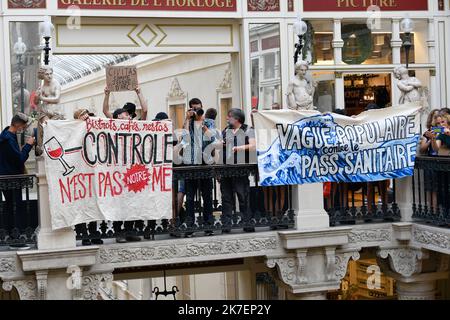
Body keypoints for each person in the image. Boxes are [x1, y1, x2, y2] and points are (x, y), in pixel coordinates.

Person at [180, 98, 216, 237]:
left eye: (199, 108)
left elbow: (212, 138)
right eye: (194, 109)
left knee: (207, 196)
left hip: (205, 163)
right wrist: (187, 119)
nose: (197, 111)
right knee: (189, 197)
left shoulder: (209, 122)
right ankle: (190, 226)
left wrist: (202, 124)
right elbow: (183, 138)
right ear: (190, 109)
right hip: (190, 164)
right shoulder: (188, 122)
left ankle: (208, 225)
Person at [0, 113, 35, 246]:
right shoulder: (8, 140)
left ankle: (11, 234)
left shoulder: (6, 136)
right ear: (18, 124)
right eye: (24, 126)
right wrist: (28, 145)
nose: (24, 128)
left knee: (9, 205)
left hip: (6, 177)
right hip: (12, 178)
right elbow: (19, 159)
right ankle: (15, 235)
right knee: (15, 206)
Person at [220, 108, 256, 233]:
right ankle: (226, 224)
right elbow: (221, 145)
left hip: (240, 169)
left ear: (237, 119)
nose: (227, 118)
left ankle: (247, 223)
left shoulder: (248, 130)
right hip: (226, 169)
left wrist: (238, 148)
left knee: (243, 196)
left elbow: (252, 145)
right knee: (226, 197)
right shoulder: (226, 130)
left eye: (229, 116)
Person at [72, 109, 104, 246]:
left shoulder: (93, 127)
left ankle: (93, 233)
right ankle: (83, 234)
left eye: (86, 113)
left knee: (93, 205)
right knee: (81, 206)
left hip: (93, 172)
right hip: (79, 174)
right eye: (82, 114)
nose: (85, 116)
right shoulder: (73, 131)